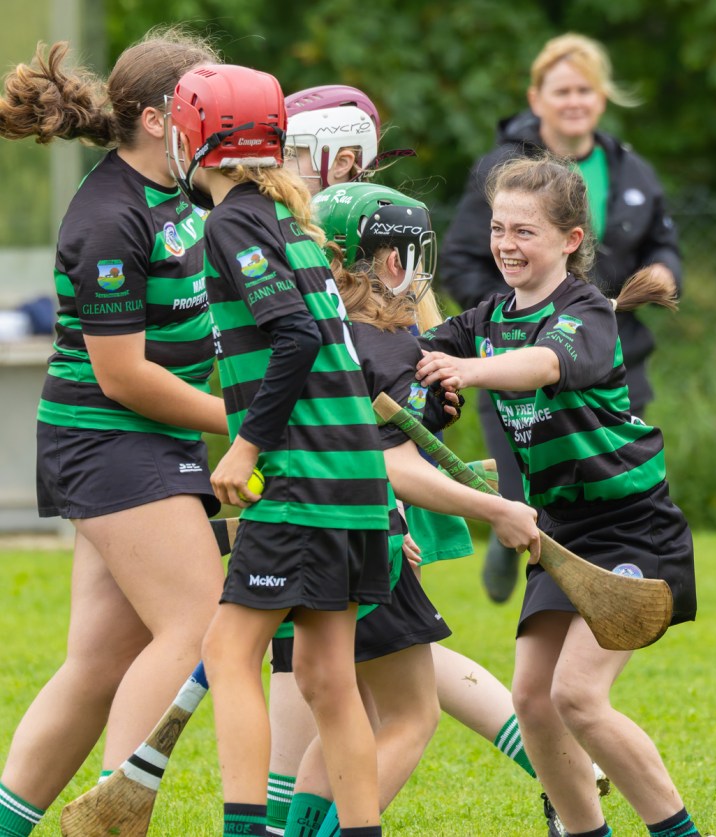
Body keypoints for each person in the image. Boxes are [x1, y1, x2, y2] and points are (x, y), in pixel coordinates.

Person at [416, 154, 702, 837]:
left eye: (525, 231)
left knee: (576, 696)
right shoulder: (485, 317)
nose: (506, 244)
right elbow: (413, 352)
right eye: (498, 228)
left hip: (633, 526)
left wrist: (467, 369)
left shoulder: (585, 312)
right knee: (531, 701)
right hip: (558, 531)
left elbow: (543, 364)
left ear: (571, 240)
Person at [0, 30, 227, 836]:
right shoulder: (106, 216)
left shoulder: (186, 194)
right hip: (105, 441)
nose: (223, 119)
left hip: (148, 442)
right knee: (200, 623)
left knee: (97, 662)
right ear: (158, 117)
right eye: (207, 102)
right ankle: (114, 821)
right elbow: (122, 375)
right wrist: (246, 422)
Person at [166, 63, 395, 837]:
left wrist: (245, 448)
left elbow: (295, 337)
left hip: (302, 480)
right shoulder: (288, 221)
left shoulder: (232, 224)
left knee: (229, 653)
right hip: (353, 484)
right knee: (330, 678)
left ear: (205, 142)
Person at [279, 181, 541, 837]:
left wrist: (427, 434)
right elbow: (392, 463)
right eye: (408, 254)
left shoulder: (316, 334)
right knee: (408, 716)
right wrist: (494, 508)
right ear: (392, 262)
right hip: (365, 546)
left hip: (298, 539)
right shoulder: (393, 347)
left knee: (348, 713)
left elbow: (355, 445)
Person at [440, 32, 682, 606]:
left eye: (586, 90)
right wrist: (511, 318)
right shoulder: (505, 171)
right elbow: (461, 256)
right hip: (512, 360)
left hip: (603, 346)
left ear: (602, 98)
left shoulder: (631, 170)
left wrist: (665, 272)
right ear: (537, 97)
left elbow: (663, 244)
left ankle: (611, 561)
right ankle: (519, 528)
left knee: (593, 469)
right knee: (534, 481)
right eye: (562, 90)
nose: (575, 101)